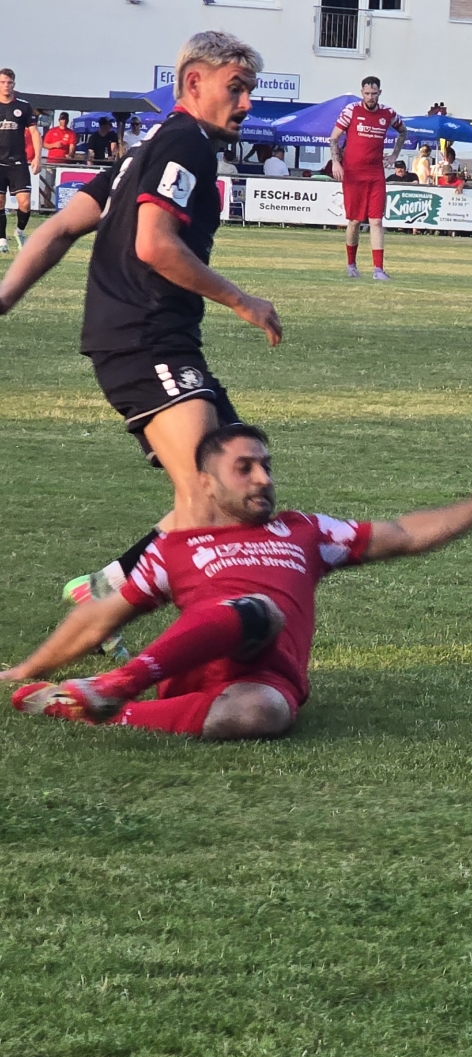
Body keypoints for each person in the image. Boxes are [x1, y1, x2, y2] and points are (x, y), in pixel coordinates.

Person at [5, 427, 472, 740]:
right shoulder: (173, 548)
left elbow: (404, 533)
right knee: (257, 609)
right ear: (206, 483)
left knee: (266, 714)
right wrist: (26, 668)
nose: (263, 478)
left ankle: (95, 704)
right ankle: (119, 684)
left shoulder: (305, 531)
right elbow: (98, 616)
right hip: (186, 674)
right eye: (245, 468)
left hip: (262, 681)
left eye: (266, 465)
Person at [0, 31, 283, 651]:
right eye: (236, 88)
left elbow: (60, 228)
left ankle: (107, 587)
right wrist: (243, 300)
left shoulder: (146, 147)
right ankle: (184, 653)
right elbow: (153, 244)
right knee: (212, 499)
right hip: (146, 338)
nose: (245, 104)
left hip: (151, 337)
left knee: (227, 485)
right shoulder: (186, 143)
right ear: (194, 83)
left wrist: (3, 298)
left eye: (250, 91)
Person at [330, 75, 405, 280]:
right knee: (354, 221)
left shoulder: (388, 113)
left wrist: (394, 155)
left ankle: (378, 269)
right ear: (361, 92)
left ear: (380, 93)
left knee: (376, 220)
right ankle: (351, 264)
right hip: (353, 173)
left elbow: (403, 131)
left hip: (375, 173)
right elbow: (334, 137)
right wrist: (336, 162)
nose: (370, 97)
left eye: (374, 93)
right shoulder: (351, 110)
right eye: (367, 93)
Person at [0, 69, 38, 256]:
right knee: (0, 202)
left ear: (14, 84)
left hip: (18, 162)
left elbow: (34, 132)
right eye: (2, 82)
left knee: (25, 203)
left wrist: (37, 157)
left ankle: (20, 232)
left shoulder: (23, 107)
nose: (6, 85)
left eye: (9, 82)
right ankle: (1, 240)